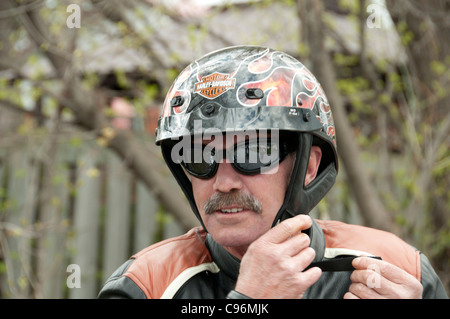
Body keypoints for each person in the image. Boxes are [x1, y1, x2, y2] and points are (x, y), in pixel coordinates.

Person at [98, 46, 448, 299]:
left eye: (252, 154)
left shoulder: (399, 269)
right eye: (199, 157)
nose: (223, 182)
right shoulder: (146, 285)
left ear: (308, 168)